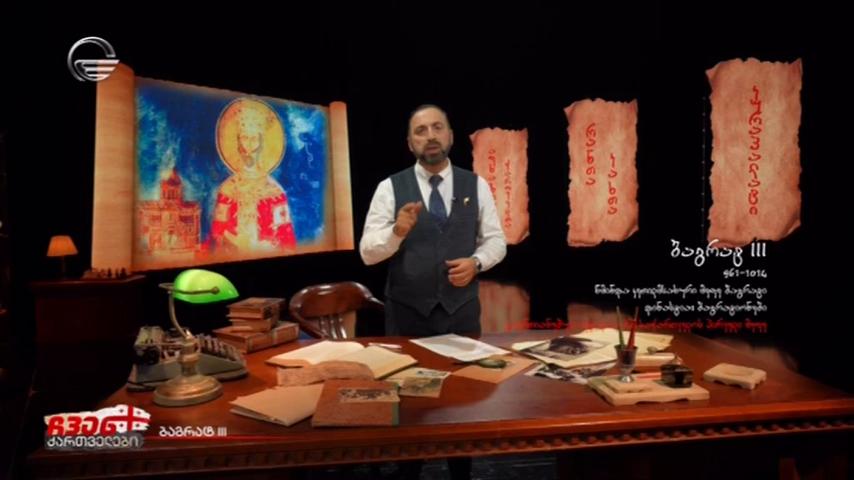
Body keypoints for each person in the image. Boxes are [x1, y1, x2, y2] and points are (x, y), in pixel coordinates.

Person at [360, 104, 507, 336]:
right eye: (421, 130)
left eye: (437, 127)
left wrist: (476, 263)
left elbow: (496, 240)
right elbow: (367, 254)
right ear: (410, 144)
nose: (430, 136)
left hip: (462, 314)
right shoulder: (388, 188)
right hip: (406, 316)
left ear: (450, 136)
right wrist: (396, 232)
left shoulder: (477, 185)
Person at [210, 98, 296, 252]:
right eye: (244, 138)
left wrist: (266, 246)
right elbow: (216, 238)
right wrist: (232, 241)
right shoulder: (228, 189)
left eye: (254, 138)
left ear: (261, 143)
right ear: (238, 141)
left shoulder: (274, 192)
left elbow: (287, 241)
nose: (249, 145)